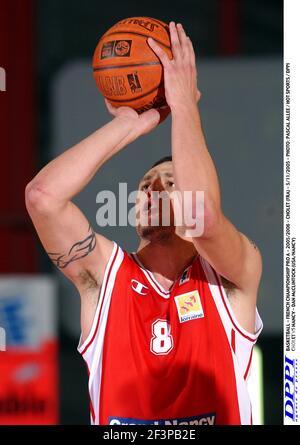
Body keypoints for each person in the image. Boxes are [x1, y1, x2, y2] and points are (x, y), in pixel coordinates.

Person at [25, 22, 262, 425]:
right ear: (134, 211)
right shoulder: (104, 276)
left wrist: (184, 104)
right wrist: (128, 125)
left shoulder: (231, 277)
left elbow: (201, 215)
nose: (154, 189)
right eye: (145, 185)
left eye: (170, 183)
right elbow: (43, 198)